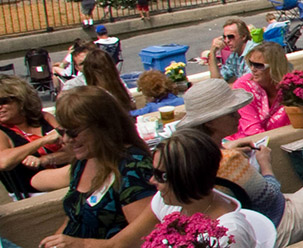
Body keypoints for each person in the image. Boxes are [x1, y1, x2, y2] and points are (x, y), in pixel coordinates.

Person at [178, 79, 303, 246]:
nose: (238, 116)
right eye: (231, 113)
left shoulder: (193, 156)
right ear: (210, 122)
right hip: (276, 226)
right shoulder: (229, 160)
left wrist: (227, 147)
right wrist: (266, 164)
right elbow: (271, 197)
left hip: (249, 225)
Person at [40, 86, 154, 244]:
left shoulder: (134, 167)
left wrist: (82, 245)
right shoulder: (83, 161)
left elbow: (146, 238)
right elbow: (74, 219)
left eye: (73, 132)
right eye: (62, 132)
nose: (66, 140)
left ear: (103, 126)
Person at [148, 130, 255, 247]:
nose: (152, 180)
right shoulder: (167, 201)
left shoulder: (229, 233)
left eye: (160, 176)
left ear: (186, 178)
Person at [0, 75, 68, 199]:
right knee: (84, 170)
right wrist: (44, 140)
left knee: (88, 162)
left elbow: (73, 150)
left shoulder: (44, 118)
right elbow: (4, 162)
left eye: (3, 102)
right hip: (32, 186)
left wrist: (45, 159)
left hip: (63, 171)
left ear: (21, 100)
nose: (0, 107)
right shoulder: (2, 131)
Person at [231, 42, 290, 139]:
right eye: (251, 64)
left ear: (274, 67)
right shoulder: (243, 87)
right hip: (245, 143)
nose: (253, 69)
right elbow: (252, 131)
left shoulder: (291, 87)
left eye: (259, 66)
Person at [208, 18, 255, 84]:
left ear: (243, 36)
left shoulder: (254, 53)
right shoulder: (234, 56)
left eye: (230, 37)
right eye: (224, 37)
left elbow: (249, 84)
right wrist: (212, 52)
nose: (226, 40)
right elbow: (216, 81)